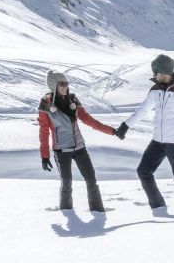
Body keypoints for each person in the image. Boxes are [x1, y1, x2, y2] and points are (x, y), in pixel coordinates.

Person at [115, 54, 174, 209]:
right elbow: (142, 110)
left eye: (157, 73)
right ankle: (158, 206)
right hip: (157, 141)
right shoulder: (155, 89)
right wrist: (126, 125)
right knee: (143, 171)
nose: (154, 76)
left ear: (166, 72)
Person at [38, 69, 121, 212]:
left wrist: (112, 131)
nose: (65, 86)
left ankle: (98, 211)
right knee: (67, 182)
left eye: (66, 83)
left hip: (80, 148)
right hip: (62, 150)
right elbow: (44, 132)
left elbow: (90, 121)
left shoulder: (73, 100)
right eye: (61, 84)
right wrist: (45, 156)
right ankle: (67, 212)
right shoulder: (45, 106)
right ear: (54, 86)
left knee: (91, 179)